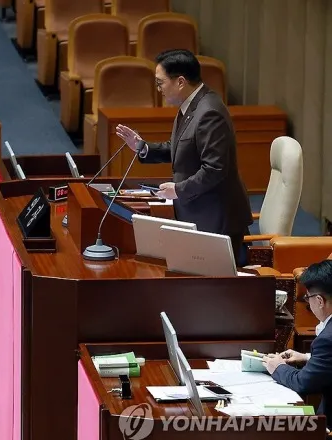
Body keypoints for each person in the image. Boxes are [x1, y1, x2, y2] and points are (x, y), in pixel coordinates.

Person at [116, 49, 252, 264]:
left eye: (160, 83)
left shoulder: (209, 112)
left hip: (216, 219)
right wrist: (142, 147)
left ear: (180, 82)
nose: (158, 89)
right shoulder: (191, 106)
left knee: (210, 283)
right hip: (199, 211)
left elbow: (215, 169)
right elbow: (181, 147)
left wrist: (178, 190)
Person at [263, 259, 332, 430]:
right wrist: (307, 357)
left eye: (308, 298)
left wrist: (278, 367)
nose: (308, 302)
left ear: (320, 301)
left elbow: (303, 383)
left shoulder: (327, 339)